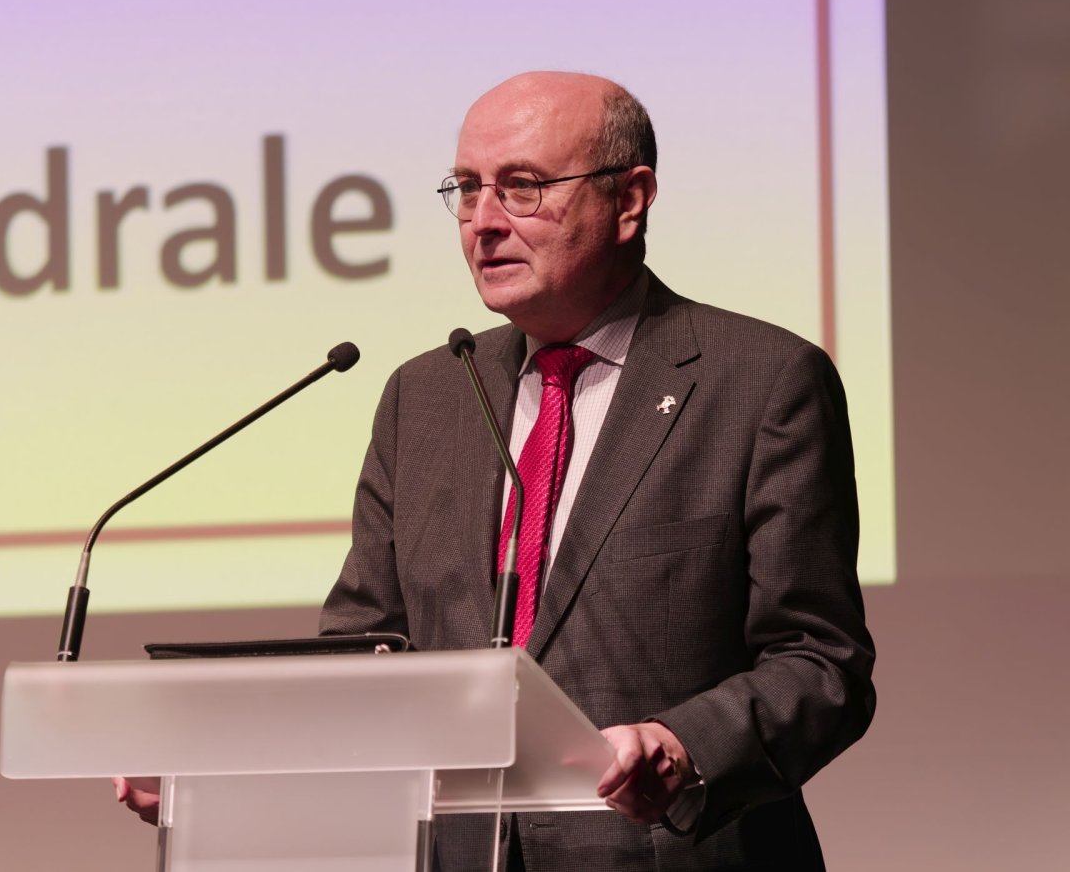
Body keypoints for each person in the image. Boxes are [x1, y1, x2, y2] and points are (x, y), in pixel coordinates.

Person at [121, 71, 875, 871]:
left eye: (522, 188)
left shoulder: (759, 382)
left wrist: (683, 744)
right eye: (467, 189)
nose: (483, 222)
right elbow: (362, 655)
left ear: (630, 198)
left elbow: (821, 661)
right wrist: (225, 769)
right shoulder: (430, 395)